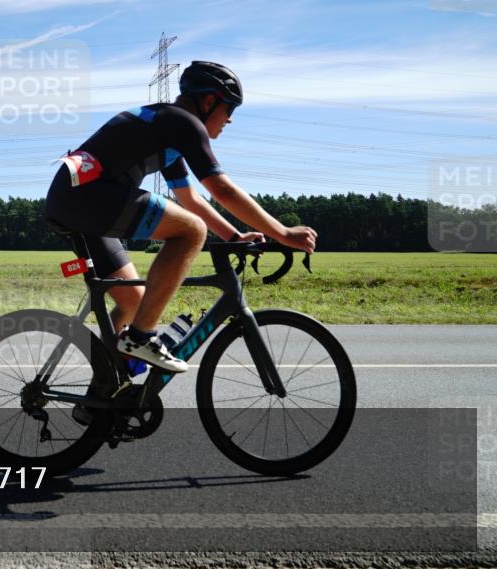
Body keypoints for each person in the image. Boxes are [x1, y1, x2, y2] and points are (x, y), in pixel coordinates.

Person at [43, 61, 317, 372]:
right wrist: (284, 232)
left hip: (76, 200)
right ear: (210, 101)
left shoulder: (165, 126)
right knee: (191, 231)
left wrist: (234, 237)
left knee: (136, 302)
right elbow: (221, 189)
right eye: (230, 109)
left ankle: (106, 391)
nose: (229, 120)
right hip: (88, 197)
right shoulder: (184, 123)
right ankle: (142, 339)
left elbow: (190, 198)